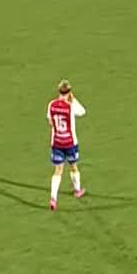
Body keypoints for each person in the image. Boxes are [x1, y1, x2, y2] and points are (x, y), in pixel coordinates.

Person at [47, 79, 87, 210]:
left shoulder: (51, 104)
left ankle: (53, 198)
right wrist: (73, 99)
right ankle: (77, 190)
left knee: (57, 171)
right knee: (74, 167)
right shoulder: (71, 106)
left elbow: (50, 122)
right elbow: (83, 112)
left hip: (57, 142)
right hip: (70, 142)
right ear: (69, 92)